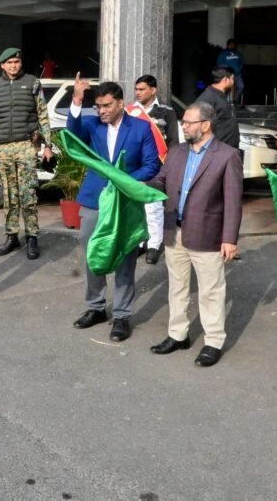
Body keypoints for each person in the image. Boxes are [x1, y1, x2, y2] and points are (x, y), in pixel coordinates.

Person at [146, 102, 243, 367]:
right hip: (174, 232)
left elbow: (233, 202)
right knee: (177, 287)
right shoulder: (176, 152)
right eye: (183, 122)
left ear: (206, 125)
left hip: (207, 234)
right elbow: (161, 181)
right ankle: (178, 335)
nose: (183, 126)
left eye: (188, 122)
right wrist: (137, 185)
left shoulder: (227, 155)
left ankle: (213, 341)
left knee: (211, 291)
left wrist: (230, 239)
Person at [67, 76, 160, 343]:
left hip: (125, 202)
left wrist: (125, 181)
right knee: (92, 252)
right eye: (98, 106)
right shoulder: (93, 125)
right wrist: (76, 100)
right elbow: (72, 133)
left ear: (121, 103)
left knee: (124, 257)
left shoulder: (141, 128)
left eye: (107, 105)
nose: (102, 111)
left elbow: (151, 165)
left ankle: (121, 315)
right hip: (95, 199)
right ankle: (95, 307)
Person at [0, 47, 52, 260]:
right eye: (9, 62)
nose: (13, 65)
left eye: (17, 62)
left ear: (21, 63)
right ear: (2, 65)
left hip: (26, 145)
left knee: (28, 192)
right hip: (3, 147)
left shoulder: (32, 82)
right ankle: (11, 236)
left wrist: (47, 144)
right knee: (9, 195)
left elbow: (43, 113)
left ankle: (32, 237)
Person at [129, 74, 178, 264]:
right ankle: (141, 241)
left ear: (153, 90)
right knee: (137, 206)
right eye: (136, 89)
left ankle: (154, 245)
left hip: (158, 166)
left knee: (153, 207)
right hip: (136, 166)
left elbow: (174, 142)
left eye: (141, 89)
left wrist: (171, 167)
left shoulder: (166, 112)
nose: (137, 93)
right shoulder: (131, 111)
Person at [195, 67, 240, 151]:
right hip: (217, 152)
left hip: (228, 150)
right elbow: (199, 124)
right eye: (232, 79)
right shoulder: (208, 97)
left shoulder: (222, 96)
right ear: (225, 80)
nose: (233, 82)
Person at [215, 38, 244, 105]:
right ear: (227, 45)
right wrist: (225, 71)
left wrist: (238, 70)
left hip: (237, 74)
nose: (232, 46)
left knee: (241, 86)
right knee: (227, 88)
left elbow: (241, 62)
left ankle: (235, 100)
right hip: (227, 74)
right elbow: (219, 63)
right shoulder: (223, 54)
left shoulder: (238, 54)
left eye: (233, 45)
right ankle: (226, 103)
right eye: (231, 45)